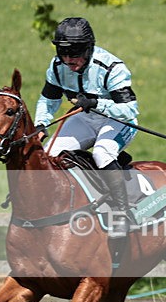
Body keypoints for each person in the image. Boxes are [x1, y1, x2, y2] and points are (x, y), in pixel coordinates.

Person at [34, 17, 139, 237]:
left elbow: (130, 109)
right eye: (64, 54)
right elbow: (48, 100)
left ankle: (122, 213)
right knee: (48, 154)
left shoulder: (111, 67)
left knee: (102, 153)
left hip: (118, 121)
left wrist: (96, 103)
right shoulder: (57, 67)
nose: (68, 59)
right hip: (87, 119)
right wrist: (41, 123)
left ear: (88, 48)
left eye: (75, 53)